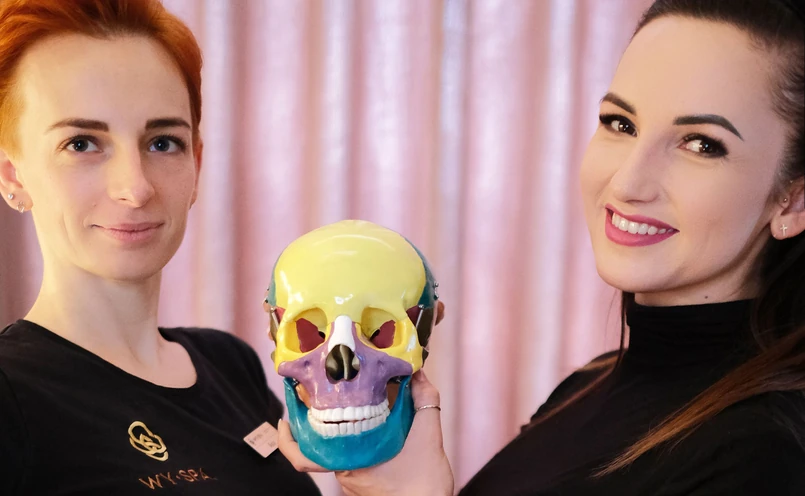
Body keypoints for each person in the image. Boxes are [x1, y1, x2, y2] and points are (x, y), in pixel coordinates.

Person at [278, 0, 805, 494]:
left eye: (701, 144)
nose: (627, 182)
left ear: (794, 202)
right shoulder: (588, 384)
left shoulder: (764, 456)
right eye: (620, 123)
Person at [0, 1, 321, 494]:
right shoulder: (11, 395)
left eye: (162, 143)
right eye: (82, 143)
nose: (135, 187)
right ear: (12, 175)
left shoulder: (229, 363)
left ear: (196, 164)